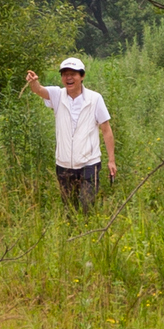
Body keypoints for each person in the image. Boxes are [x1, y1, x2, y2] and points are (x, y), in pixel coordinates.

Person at [26, 57, 116, 215]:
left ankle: (90, 233)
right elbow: (39, 90)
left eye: (73, 74)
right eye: (65, 74)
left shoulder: (95, 99)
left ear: (82, 76)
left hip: (90, 162)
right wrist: (33, 82)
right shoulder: (57, 95)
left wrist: (111, 160)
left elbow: (106, 129)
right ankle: (72, 235)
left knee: (88, 204)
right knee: (69, 208)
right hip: (64, 163)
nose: (68, 78)